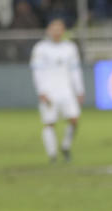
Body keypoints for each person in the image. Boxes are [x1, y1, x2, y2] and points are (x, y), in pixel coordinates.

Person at [30, 18, 84, 163]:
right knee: (49, 122)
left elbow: (75, 71)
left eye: (59, 29)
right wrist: (41, 91)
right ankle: (52, 154)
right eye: (54, 29)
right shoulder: (40, 48)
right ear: (48, 30)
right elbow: (37, 72)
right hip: (49, 91)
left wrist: (79, 90)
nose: (57, 32)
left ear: (63, 31)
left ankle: (65, 146)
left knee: (74, 120)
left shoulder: (70, 48)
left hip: (66, 90)